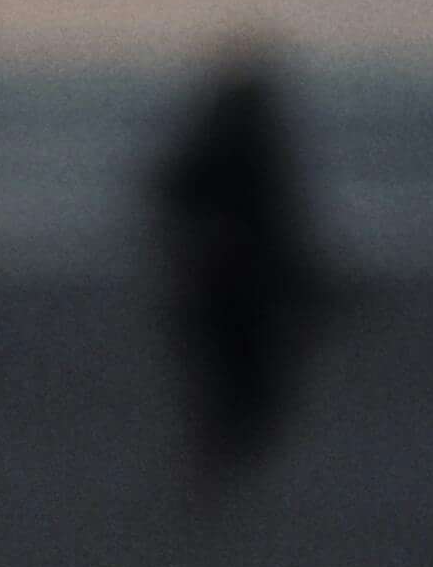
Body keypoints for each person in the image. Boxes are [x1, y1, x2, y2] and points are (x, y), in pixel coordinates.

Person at [144, 33, 335, 502]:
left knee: (229, 387)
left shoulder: (223, 147)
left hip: (228, 288)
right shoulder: (241, 150)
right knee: (237, 385)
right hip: (229, 289)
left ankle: (212, 474)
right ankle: (213, 474)